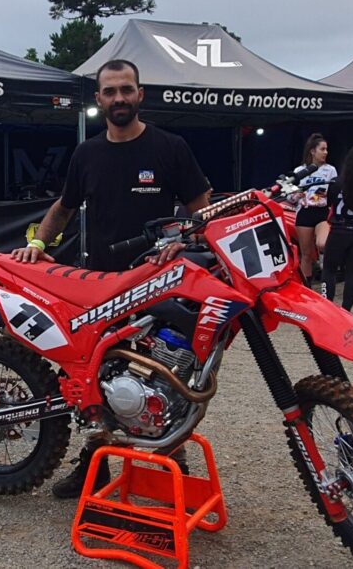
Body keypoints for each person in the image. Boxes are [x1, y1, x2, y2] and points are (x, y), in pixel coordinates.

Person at [11, 59, 210, 498]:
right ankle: (94, 464)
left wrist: (186, 239)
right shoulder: (87, 153)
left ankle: (172, 463)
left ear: (140, 94)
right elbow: (63, 207)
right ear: (98, 99)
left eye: (126, 89)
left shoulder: (170, 147)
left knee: (168, 375)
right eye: (110, 91)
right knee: (95, 376)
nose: (119, 98)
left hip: (159, 283)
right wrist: (39, 245)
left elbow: (201, 207)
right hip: (99, 284)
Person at [319, 145, 353, 311]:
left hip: (339, 229)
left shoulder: (336, 182)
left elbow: (329, 203)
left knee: (329, 269)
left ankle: (327, 306)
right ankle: (346, 310)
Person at [292, 134, 337, 284]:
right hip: (304, 213)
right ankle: (307, 286)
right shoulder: (300, 170)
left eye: (327, 149)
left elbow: (334, 192)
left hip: (321, 212)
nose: (326, 152)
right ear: (312, 151)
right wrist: (296, 195)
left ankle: (329, 274)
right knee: (306, 254)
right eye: (322, 149)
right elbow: (290, 197)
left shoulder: (330, 170)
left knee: (322, 244)